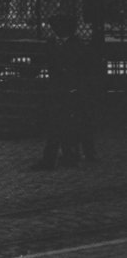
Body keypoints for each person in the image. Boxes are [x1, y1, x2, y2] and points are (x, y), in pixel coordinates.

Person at [31, 14, 98, 170]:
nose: (55, 29)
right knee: (63, 124)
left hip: (73, 91)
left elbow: (84, 72)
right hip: (59, 90)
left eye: (58, 26)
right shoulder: (53, 44)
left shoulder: (78, 46)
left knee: (67, 125)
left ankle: (59, 158)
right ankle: (69, 156)